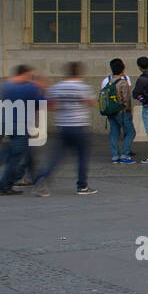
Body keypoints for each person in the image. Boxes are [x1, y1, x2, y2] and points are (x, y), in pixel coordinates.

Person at [33, 61, 98, 197]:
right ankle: (82, 186)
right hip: (80, 126)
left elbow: (51, 106)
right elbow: (92, 103)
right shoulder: (83, 87)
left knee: (56, 157)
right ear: (80, 73)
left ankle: (42, 179)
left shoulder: (57, 87)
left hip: (63, 126)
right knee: (82, 157)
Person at [0, 65, 45, 195]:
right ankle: (4, 186)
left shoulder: (6, 85)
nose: (30, 78)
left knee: (22, 156)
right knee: (15, 158)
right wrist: (41, 88)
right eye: (29, 75)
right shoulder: (28, 87)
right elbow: (39, 102)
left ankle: (33, 181)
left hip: (8, 124)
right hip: (21, 125)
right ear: (24, 73)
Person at [100, 58, 135, 164]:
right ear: (123, 70)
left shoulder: (107, 81)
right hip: (122, 112)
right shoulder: (123, 82)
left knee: (114, 133)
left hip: (110, 112)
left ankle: (115, 156)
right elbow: (126, 99)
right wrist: (129, 110)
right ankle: (124, 154)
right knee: (130, 132)